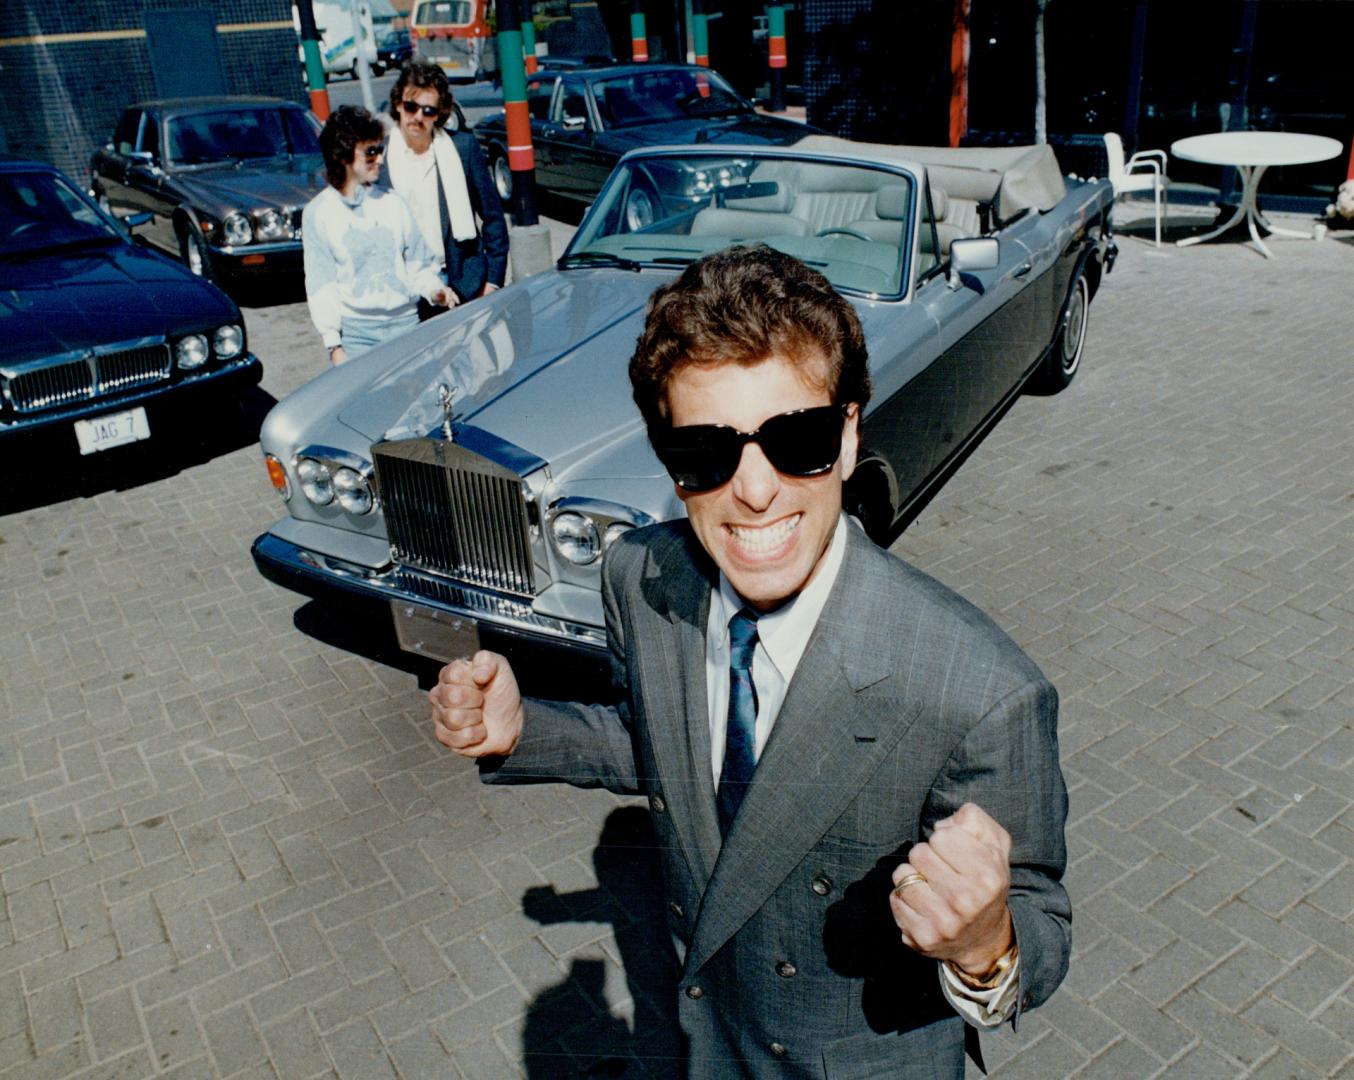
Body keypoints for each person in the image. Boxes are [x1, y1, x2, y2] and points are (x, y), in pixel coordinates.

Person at [429, 245, 1070, 1078]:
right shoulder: (641, 577)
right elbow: (669, 746)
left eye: (795, 439)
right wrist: (524, 732)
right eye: (706, 452)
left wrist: (986, 947)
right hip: (706, 1042)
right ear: (669, 462)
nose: (755, 490)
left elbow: (1041, 925)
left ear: (846, 437)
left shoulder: (980, 692)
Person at [302, 106, 451, 365]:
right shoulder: (318, 213)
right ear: (343, 155)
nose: (380, 158)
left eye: (379, 149)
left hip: (407, 325)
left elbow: (418, 265)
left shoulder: (394, 203)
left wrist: (434, 290)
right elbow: (321, 283)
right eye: (371, 152)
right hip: (357, 336)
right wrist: (334, 345)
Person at [383, 61, 508, 315]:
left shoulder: (462, 149)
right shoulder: (380, 160)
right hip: (405, 293)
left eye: (428, 111)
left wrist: (492, 281)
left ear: (439, 113)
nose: (418, 117)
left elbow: (493, 217)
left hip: (463, 284)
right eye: (411, 107)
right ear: (398, 104)